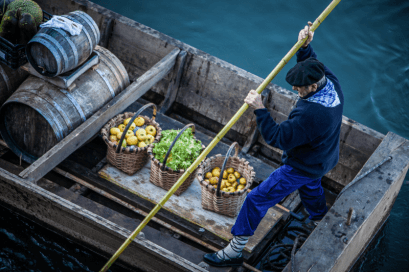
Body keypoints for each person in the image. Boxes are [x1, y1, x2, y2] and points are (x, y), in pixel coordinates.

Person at [203, 22, 344, 267]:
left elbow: (278, 138)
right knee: (311, 186)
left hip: (300, 166)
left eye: (299, 88)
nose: (295, 89)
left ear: (312, 87)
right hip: (323, 158)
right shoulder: (330, 84)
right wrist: (305, 46)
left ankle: (234, 251)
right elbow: (311, 63)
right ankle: (319, 217)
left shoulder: (313, 114)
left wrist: (259, 109)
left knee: (256, 199)